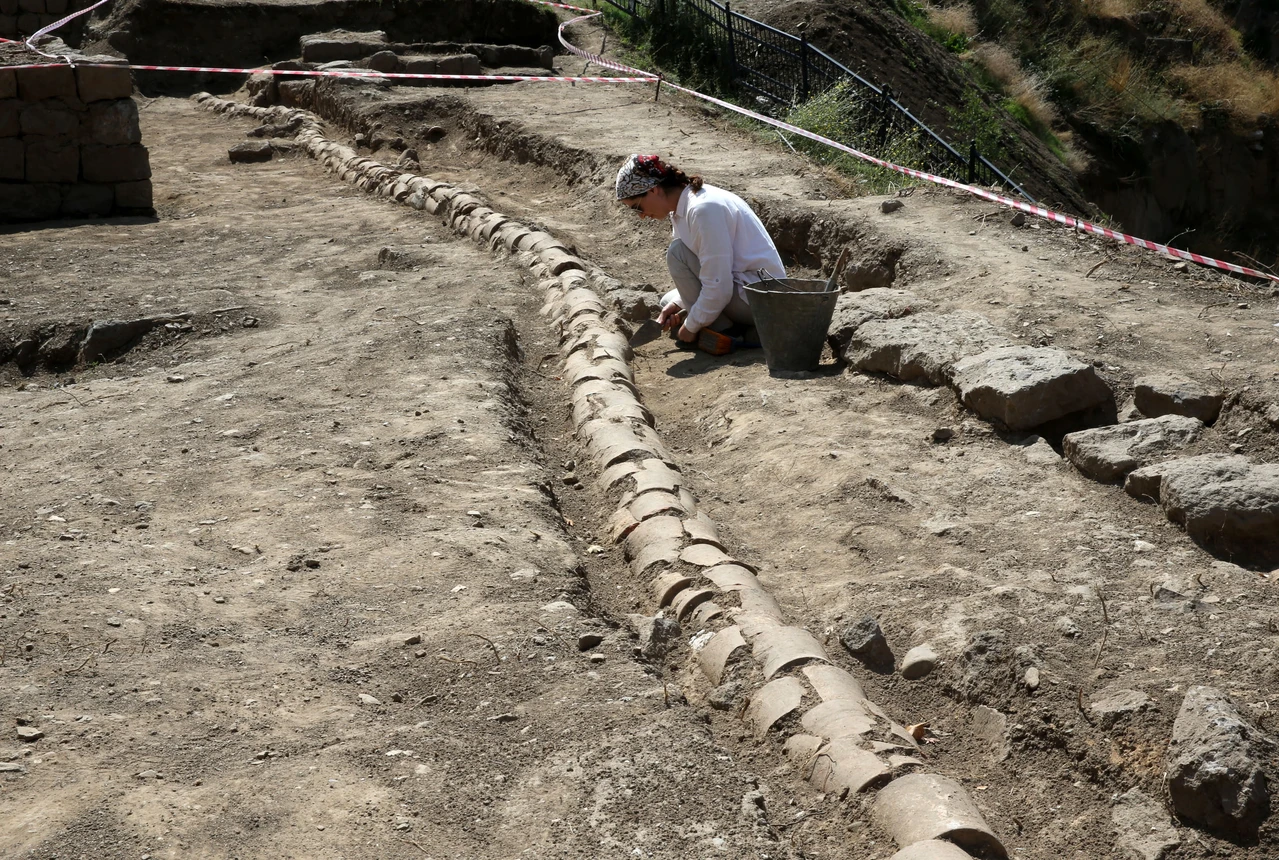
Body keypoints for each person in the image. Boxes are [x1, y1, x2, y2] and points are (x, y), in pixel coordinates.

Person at [615, 154, 786, 353]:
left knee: (677, 253)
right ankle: (735, 327)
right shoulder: (683, 208)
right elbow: (711, 273)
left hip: (762, 301)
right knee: (668, 301)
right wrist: (680, 304)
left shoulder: (703, 209)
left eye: (637, 207)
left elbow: (719, 286)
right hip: (743, 290)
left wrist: (691, 326)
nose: (642, 216)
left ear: (653, 189)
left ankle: (727, 331)